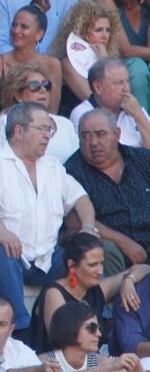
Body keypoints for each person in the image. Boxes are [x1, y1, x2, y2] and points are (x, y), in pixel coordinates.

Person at [0, 101, 98, 334]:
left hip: (47, 257)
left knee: (86, 254)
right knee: (2, 253)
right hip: (4, 256)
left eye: (50, 130)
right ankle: (21, 328)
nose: (48, 136)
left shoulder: (53, 166)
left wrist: (88, 226)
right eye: (42, 128)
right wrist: (1, 231)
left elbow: (81, 199)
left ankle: (88, 323)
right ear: (18, 131)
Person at [27, 231, 150, 352]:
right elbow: (67, 347)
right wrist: (105, 364)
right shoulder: (54, 293)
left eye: (101, 264)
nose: (100, 271)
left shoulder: (97, 290)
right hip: (57, 367)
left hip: (90, 363)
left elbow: (145, 268)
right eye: (93, 265)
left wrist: (128, 280)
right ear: (71, 265)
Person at [65, 108, 150, 273]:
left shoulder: (142, 159)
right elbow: (73, 219)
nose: (94, 142)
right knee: (104, 249)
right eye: (86, 136)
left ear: (117, 134)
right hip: (114, 250)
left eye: (100, 134)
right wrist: (122, 241)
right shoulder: (72, 171)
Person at [0, 6, 63, 122]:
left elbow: (52, 110)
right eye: (14, 25)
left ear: (39, 34)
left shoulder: (53, 65)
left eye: (24, 27)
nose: (16, 31)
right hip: (6, 130)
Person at [39, 301, 149, 372]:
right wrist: (108, 368)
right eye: (92, 328)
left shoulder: (99, 361)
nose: (98, 334)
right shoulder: (46, 361)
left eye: (98, 328)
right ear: (70, 327)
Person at [0, 61, 75, 160]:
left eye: (46, 85)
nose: (43, 90)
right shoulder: (6, 122)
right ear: (18, 95)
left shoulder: (66, 124)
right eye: (34, 86)